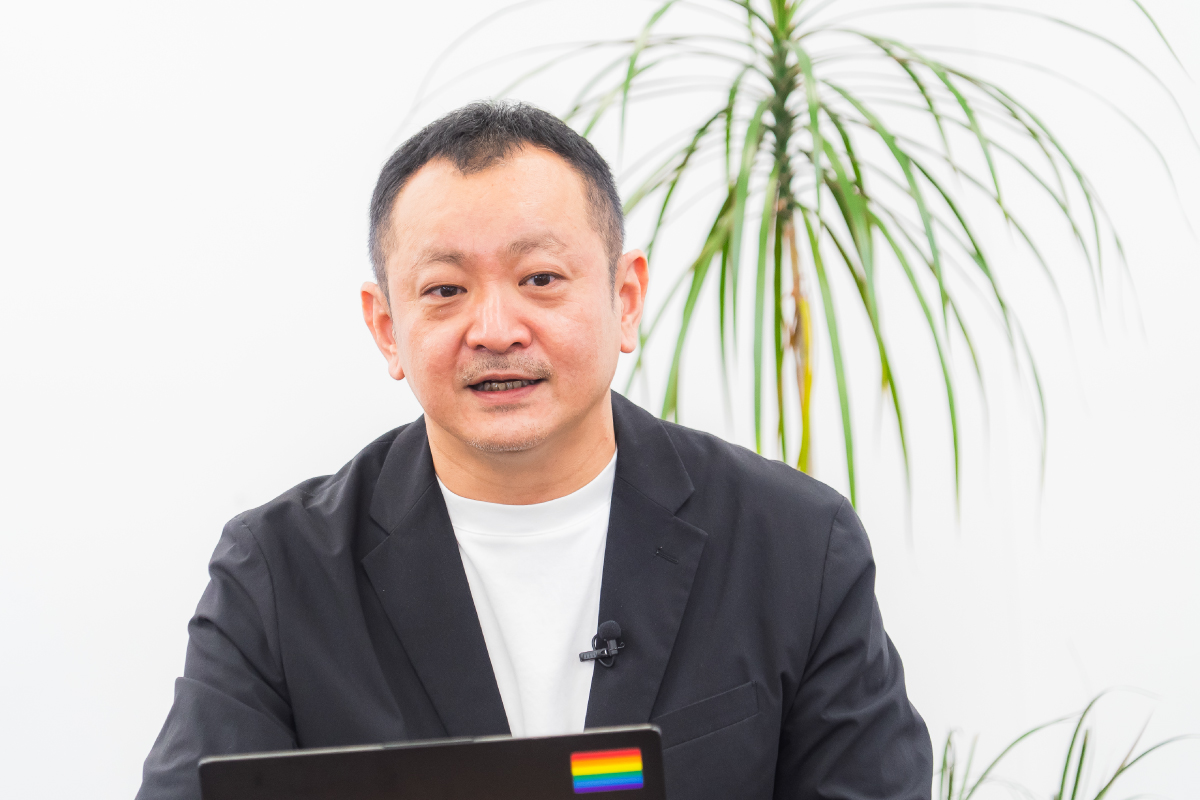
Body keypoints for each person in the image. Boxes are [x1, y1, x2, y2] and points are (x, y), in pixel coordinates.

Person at [137, 101, 932, 799]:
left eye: (541, 278)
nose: (495, 329)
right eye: (445, 290)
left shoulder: (793, 543)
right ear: (386, 328)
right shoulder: (278, 574)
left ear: (625, 298)